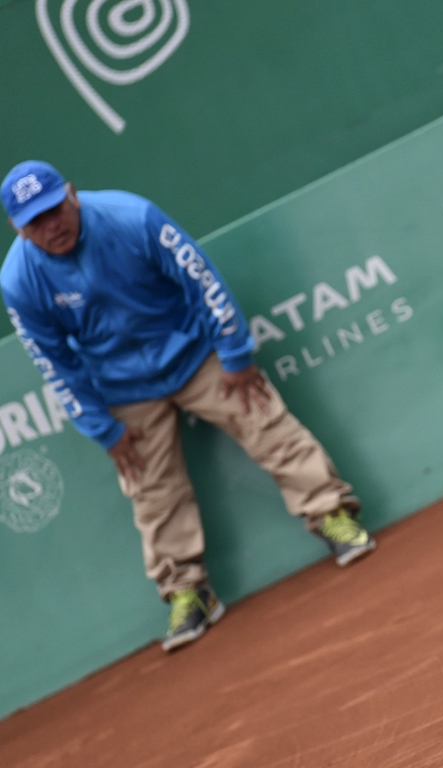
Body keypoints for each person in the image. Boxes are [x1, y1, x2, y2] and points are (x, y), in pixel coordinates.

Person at [1, 161, 376, 652]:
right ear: (18, 229)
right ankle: (188, 592)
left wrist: (235, 354)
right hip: (123, 388)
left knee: (265, 422)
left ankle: (331, 514)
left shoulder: (130, 217)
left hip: (196, 353)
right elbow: (55, 364)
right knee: (151, 489)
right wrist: (103, 429)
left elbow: (201, 279)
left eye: (54, 209)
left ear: (71, 194)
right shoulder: (19, 281)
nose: (52, 226)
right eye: (36, 221)